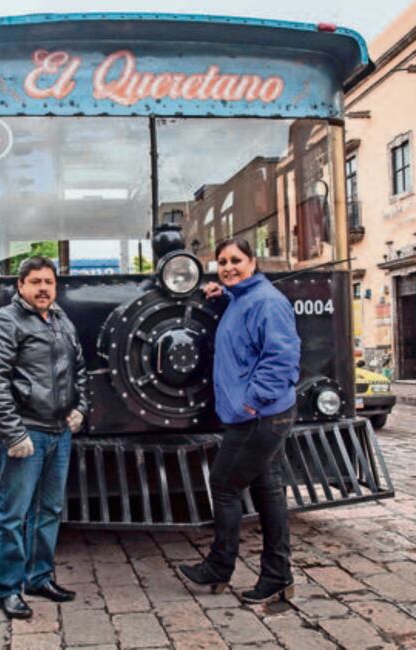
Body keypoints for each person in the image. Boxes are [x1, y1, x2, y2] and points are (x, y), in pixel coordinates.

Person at [177, 238, 301, 604]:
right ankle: (278, 576)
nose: (228, 267)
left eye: (236, 260)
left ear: (253, 261)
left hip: (260, 415)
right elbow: (246, 321)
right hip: (260, 414)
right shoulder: (246, 296)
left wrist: (252, 401)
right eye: (222, 262)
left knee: (224, 485)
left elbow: (282, 357)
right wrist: (223, 292)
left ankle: (219, 568)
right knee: (268, 490)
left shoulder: (266, 301)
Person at [0, 256, 88, 620]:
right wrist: (12, 433)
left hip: (59, 433)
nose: (43, 288)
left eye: (49, 282)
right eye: (36, 281)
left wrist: (80, 409)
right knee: (13, 515)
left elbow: (80, 370)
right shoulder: (4, 322)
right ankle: (7, 589)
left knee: (49, 511)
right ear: (20, 286)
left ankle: (39, 577)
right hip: (26, 434)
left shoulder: (61, 321)